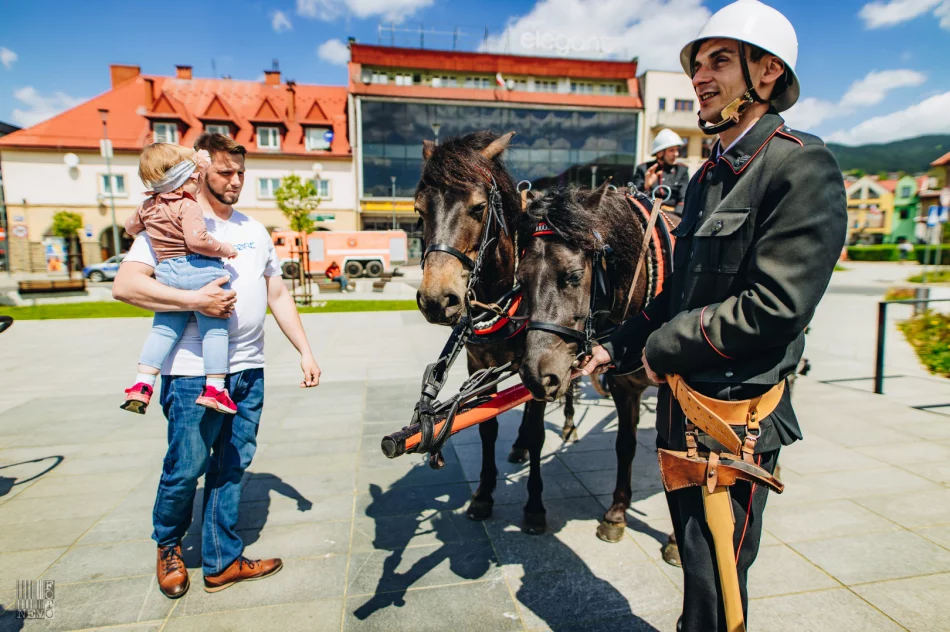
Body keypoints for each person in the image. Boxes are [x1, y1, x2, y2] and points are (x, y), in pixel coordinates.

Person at [580, 1, 847, 629]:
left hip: (736, 417)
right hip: (683, 410)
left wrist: (661, 349)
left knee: (720, 567)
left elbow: (776, 307)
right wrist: (617, 346)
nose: (700, 75)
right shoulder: (707, 178)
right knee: (698, 560)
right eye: (697, 63)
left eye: (719, 60)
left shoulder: (799, 165)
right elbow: (679, 297)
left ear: (768, 72)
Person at [113, 132, 322, 599]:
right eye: (226, 172)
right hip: (190, 373)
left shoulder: (253, 229)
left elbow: (278, 293)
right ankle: (168, 544)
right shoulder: (168, 220)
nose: (236, 181)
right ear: (200, 171)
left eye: (242, 172)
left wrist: (304, 351)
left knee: (232, 465)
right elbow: (124, 286)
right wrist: (193, 299)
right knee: (185, 467)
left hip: (248, 370)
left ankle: (221, 560)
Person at [121, 144, 239, 416]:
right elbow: (197, 240)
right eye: (197, 177)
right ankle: (215, 388)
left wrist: (147, 223)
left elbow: (130, 227)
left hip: (167, 274)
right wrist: (224, 248)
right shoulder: (188, 205)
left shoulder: (148, 206)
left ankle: (142, 384)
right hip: (199, 270)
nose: (199, 183)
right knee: (214, 329)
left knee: (163, 330)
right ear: (185, 179)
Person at [632, 128, 690, 212]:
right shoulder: (643, 168)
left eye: (677, 150)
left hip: (673, 216)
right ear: (659, 153)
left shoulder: (682, 170)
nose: (676, 154)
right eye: (671, 150)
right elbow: (633, 197)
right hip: (647, 213)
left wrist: (675, 218)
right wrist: (646, 187)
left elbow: (684, 198)